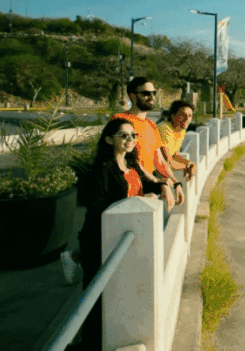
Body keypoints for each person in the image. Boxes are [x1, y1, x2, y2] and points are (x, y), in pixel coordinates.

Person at [69, 118, 169, 351]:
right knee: (95, 295)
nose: (130, 140)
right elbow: (97, 208)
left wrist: (165, 185)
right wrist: (135, 202)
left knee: (115, 291)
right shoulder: (102, 170)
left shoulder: (131, 165)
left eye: (133, 136)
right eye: (124, 136)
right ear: (109, 139)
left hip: (125, 236)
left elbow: (148, 184)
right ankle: (91, 343)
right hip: (99, 239)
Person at [111, 77, 184, 210]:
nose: (151, 97)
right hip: (126, 191)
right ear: (133, 96)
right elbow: (118, 159)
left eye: (153, 93)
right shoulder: (120, 120)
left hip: (148, 188)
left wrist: (176, 182)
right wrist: (159, 183)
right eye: (146, 93)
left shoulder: (151, 125)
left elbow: (160, 162)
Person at [158, 100, 196, 179]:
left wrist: (189, 163)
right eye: (183, 115)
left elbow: (174, 155)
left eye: (190, 116)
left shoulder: (181, 130)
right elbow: (168, 162)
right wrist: (185, 166)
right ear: (173, 116)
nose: (187, 119)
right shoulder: (165, 129)